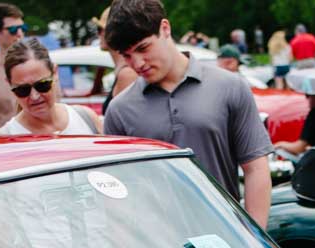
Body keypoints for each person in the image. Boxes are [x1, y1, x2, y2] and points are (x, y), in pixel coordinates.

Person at [101, 0, 272, 226]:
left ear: (165, 28)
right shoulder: (119, 109)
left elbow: (256, 168)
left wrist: (256, 244)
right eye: (127, 55)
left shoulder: (230, 86)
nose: (138, 63)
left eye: (143, 48)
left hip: (228, 242)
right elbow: (117, 194)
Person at [0, 37, 101, 134]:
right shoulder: (6, 137)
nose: (34, 96)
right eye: (23, 90)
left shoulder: (86, 119)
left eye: (42, 85)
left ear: (55, 73)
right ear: (9, 84)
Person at [0, 2, 27, 130]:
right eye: (13, 30)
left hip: (37, 144)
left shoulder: (38, 67)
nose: (20, 34)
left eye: (23, 28)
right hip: (3, 145)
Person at [94, 5, 140, 114]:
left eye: (100, 29)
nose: (98, 34)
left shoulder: (127, 74)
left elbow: (124, 122)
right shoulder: (125, 70)